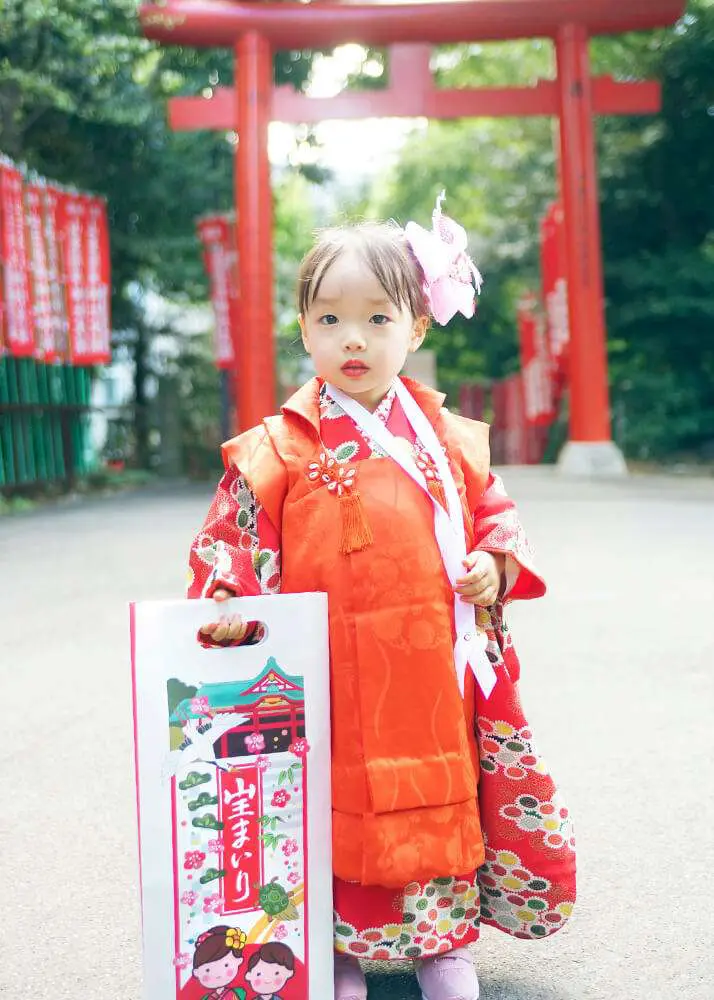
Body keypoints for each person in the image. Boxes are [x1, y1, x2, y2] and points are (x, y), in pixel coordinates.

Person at [188, 193, 576, 1000]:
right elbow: (233, 539)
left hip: (432, 672)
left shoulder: (448, 437)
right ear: (303, 329)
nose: (352, 339)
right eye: (328, 320)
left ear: (417, 326)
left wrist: (491, 566)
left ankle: (444, 946)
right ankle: (337, 953)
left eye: (376, 318)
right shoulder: (277, 448)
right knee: (330, 807)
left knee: (438, 793)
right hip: (324, 675)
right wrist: (228, 597)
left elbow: (498, 517)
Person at [192, 925, 247, 1000]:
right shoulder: (206, 998)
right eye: (207, 970)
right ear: (196, 972)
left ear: (238, 961)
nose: (218, 973)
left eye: (226, 965)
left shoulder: (239, 993)